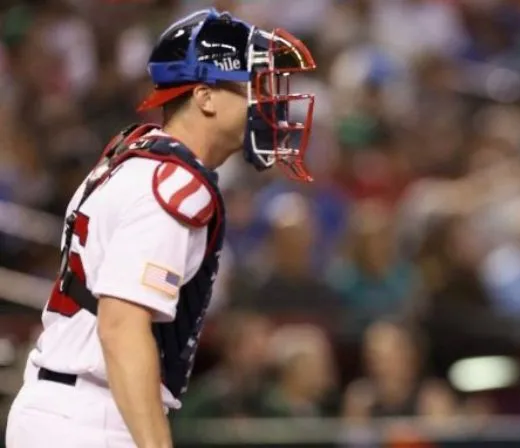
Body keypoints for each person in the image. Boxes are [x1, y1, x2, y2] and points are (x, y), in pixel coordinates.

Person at [4, 8, 317, 448]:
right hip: (96, 416)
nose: (264, 101)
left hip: (67, 407)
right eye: (251, 86)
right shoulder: (173, 184)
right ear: (206, 97)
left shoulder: (134, 156)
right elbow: (121, 325)